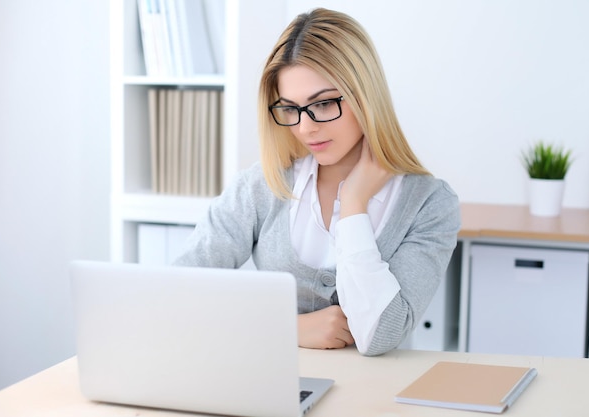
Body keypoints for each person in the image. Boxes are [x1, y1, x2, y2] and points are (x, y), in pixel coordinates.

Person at [173, 7, 461, 356]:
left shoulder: (431, 204)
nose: (305, 127)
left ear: (365, 95)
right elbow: (180, 291)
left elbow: (383, 336)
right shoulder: (261, 186)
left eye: (323, 104)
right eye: (289, 109)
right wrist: (286, 327)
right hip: (272, 389)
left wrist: (353, 204)